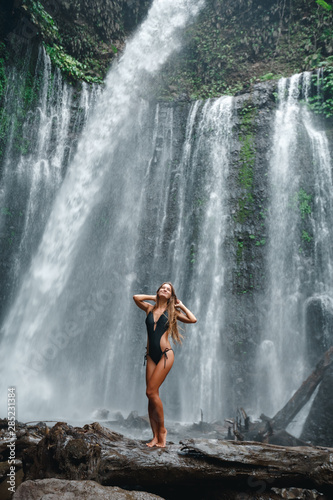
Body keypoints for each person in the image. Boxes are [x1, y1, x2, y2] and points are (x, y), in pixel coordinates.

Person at [133, 282, 197, 448]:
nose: (164, 290)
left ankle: (162, 431)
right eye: (162, 288)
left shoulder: (173, 312)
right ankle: (154, 436)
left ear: (171, 296)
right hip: (150, 357)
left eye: (168, 290)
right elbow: (136, 297)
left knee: (150, 391)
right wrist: (155, 297)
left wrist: (181, 305)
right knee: (151, 396)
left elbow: (193, 319)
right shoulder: (149, 309)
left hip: (165, 355)